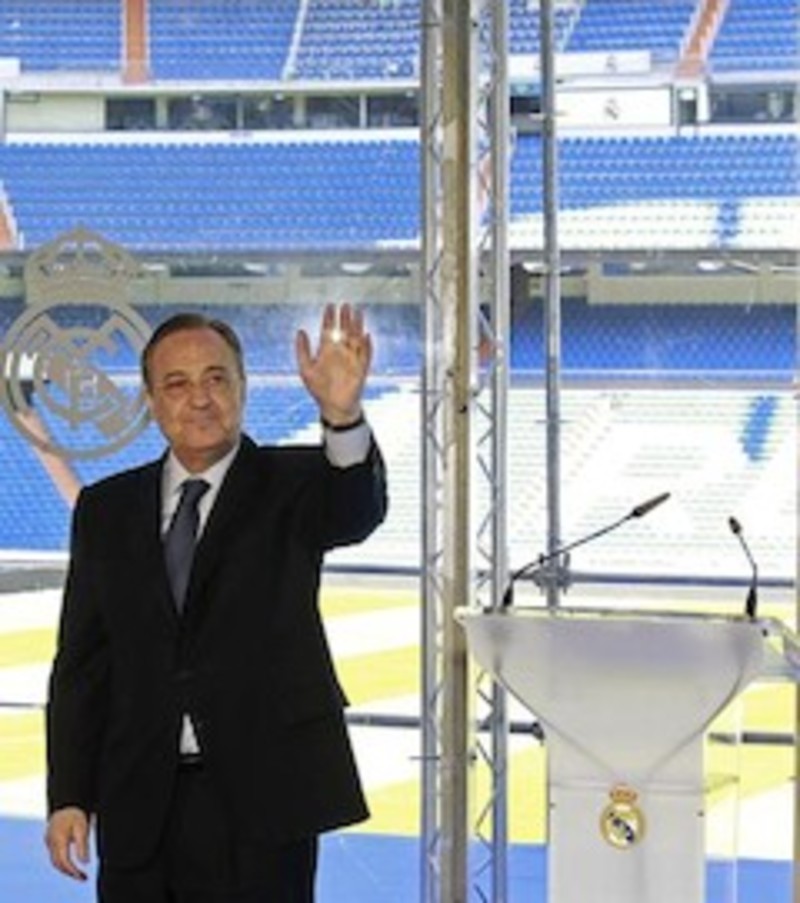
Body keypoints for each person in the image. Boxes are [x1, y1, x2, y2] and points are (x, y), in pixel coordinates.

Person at [44, 303, 388, 902]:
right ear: (151, 401)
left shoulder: (296, 484)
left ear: (242, 388)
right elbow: (82, 666)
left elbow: (355, 510)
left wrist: (342, 416)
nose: (199, 398)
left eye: (216, 378)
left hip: (264, 805)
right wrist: (69, 794)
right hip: (138, 806)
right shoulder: (105, 510)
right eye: (177, 384)